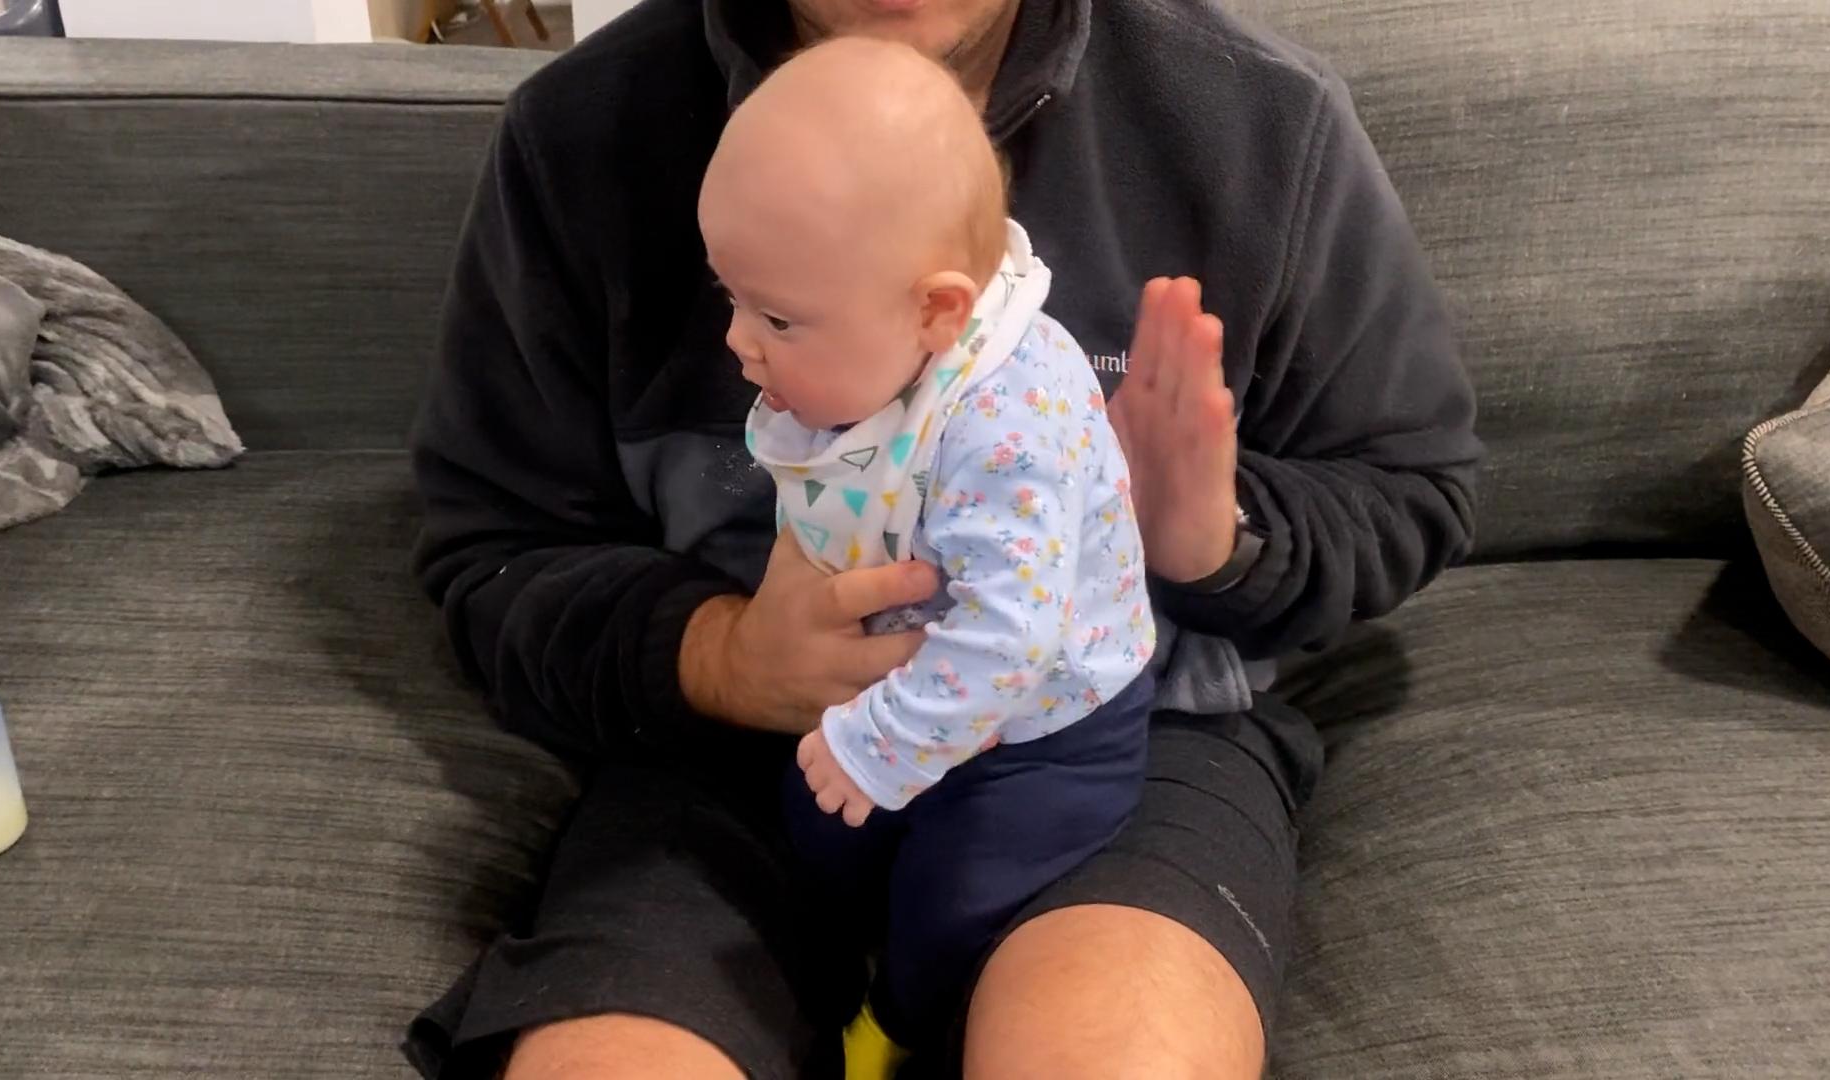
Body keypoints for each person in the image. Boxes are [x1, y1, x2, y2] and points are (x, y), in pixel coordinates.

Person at [405, 0, 1481, 1077]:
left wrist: (1214, 540)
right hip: (725, 769)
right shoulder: (579, 136)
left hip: (1123, 743)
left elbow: (1413, 489)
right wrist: (722, 656)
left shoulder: (1262, 122)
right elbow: (492, 549)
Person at [707, 38, 1159, 1072]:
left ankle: (898, 1024)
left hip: (1048, 728)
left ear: (940, 310)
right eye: (729, 296)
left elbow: (1013, 634)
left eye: (774, 317)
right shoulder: (879, 337)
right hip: (902, 691)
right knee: (812, 829)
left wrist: (886, 743)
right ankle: (822, 972)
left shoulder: (1012, 427)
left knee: (951, 898)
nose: (737, 340)